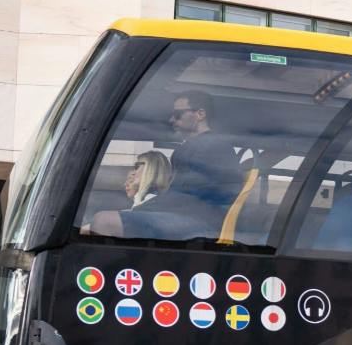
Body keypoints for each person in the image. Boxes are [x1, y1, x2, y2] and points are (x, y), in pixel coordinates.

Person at [87, 92, 245, 240]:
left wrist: (140, 210)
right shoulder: (199, 147)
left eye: (178, 114)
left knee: (104, 221)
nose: (171, 120)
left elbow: (187, 197)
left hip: (199, 222)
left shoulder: (212, 147)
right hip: (188, 217)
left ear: (200, 114)